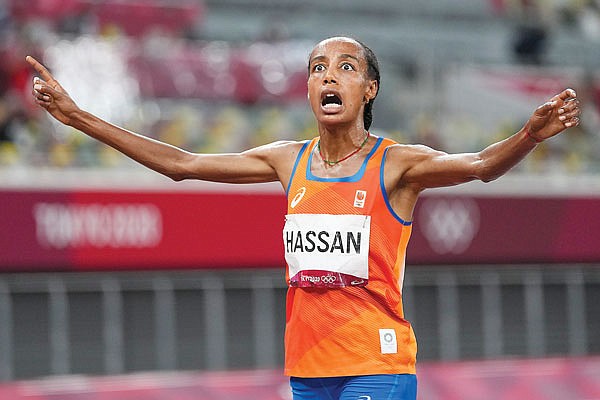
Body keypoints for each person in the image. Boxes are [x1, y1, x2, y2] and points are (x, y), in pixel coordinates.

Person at [27, 36, 581, 400]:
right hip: (308, 369)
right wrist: (78, 118)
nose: (329, 76)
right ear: (310, 88)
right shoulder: (287, 160)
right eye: (318, 68)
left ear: (370, 90)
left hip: (377, 361)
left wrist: (529, 134)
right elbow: (182, 164)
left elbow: (481, 166)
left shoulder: (396, 165)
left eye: (346, 67)